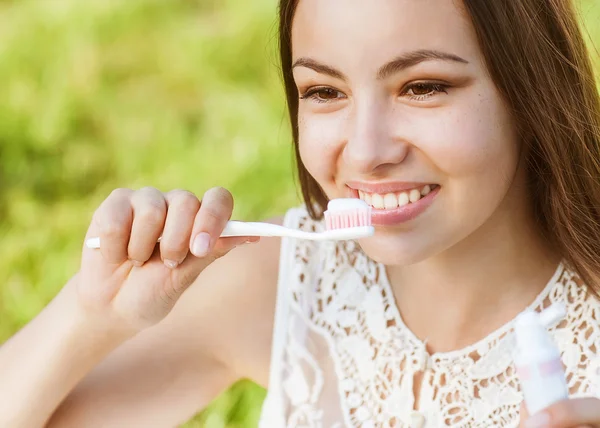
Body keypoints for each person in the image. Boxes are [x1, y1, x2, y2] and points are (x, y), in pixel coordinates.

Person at [1, 0, 600, 427]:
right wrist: (90, 315)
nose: (365, 151)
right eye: (325, 92)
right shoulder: (281, 285)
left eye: (423, 87)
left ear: (530, 90)